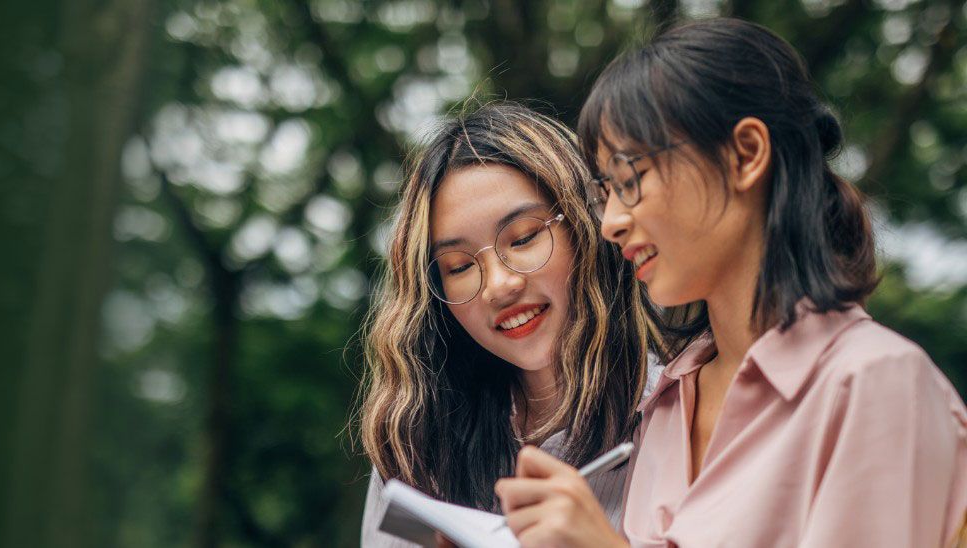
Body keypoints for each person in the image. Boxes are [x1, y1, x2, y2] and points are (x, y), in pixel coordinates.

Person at [492, 18, 967, 547]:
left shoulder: (874, 383)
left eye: (630, 180)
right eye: (606, 192)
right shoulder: (666, 403)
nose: (610, 223)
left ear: (745, 154)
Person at [355, 102, 676, 546]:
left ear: (586, 225)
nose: (498, 286)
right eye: (459, 266)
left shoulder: (677, 411)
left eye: (523, 238)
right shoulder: (418, 443)